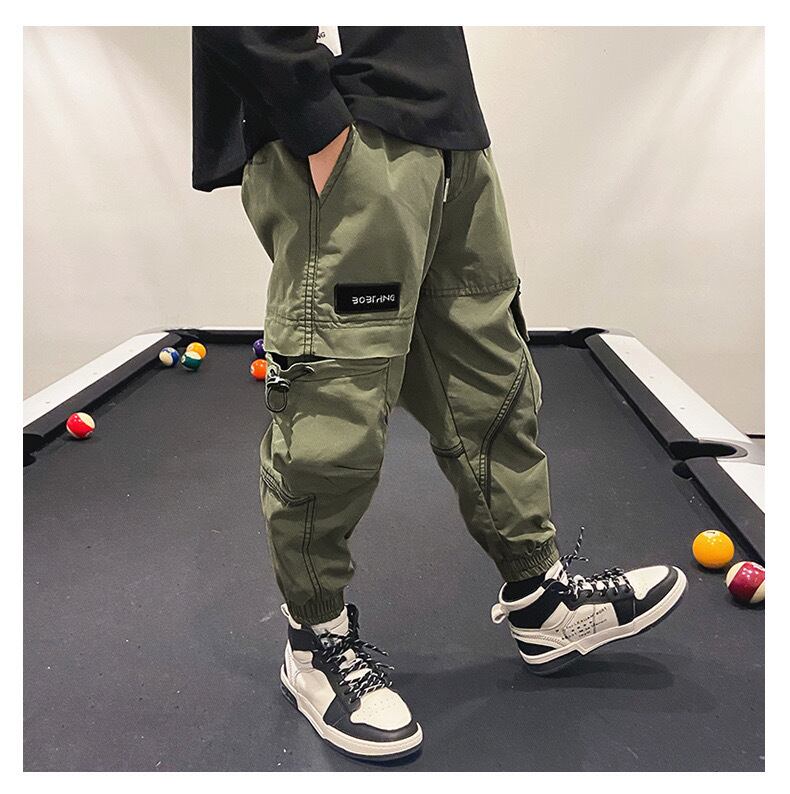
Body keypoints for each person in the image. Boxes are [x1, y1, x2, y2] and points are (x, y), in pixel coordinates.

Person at [192, 26, 687, 762]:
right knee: (336, 409)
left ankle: (540, 598)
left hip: (454, 136)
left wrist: (455, 131)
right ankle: (315, 641)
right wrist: (312, 113)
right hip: (348, 131)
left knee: (494, 386)